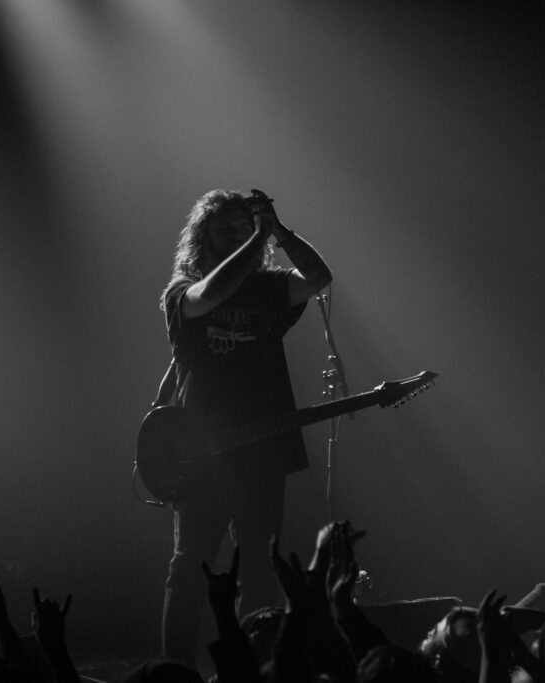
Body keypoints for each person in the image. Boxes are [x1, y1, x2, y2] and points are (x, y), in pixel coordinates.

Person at [158, 188, 332, 665]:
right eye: (224, 229)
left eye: (241, 227)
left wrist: (280, 231)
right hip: (201, 455)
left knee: (259, 569)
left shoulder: (270, 288)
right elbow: (212, 294)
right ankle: (175, 673)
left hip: (263, 451)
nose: (235, 235)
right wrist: (257, 238)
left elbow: (319, 276)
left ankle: (251, 667)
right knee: (191, 568)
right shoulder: (182, 290)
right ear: (204, 235)